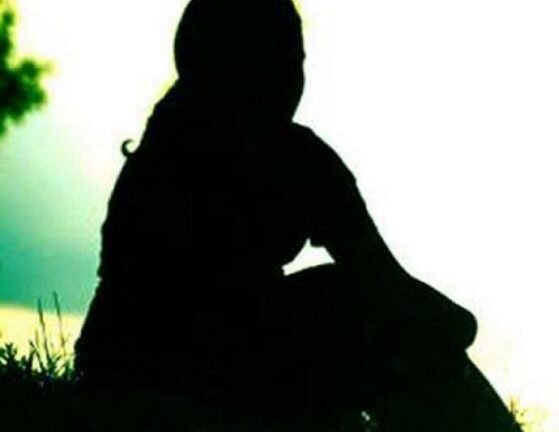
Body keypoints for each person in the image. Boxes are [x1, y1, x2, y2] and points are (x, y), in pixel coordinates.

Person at [75, 0, 521, 430]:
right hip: (203, 377)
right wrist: (457, 324)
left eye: (297, 60)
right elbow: (385, 285)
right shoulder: (296, 159)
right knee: (362, 308)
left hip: (116, 372)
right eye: (283, 58)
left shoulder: (159, 151)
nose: (293, 77)